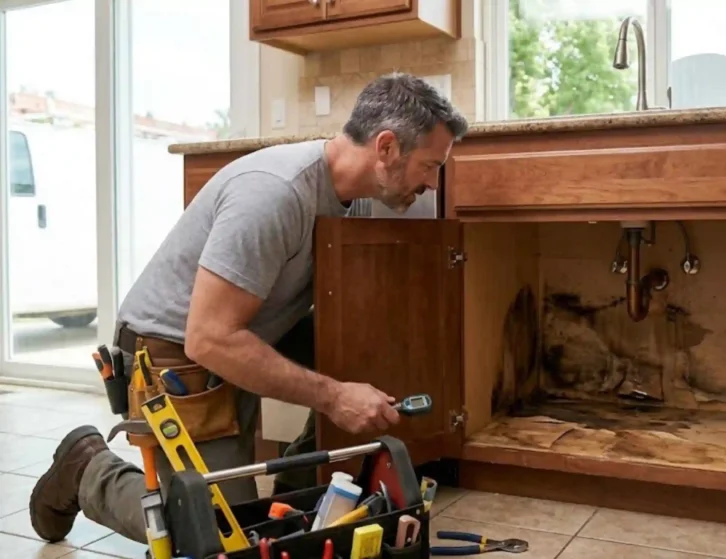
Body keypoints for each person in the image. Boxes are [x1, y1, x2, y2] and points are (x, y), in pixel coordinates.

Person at [28, 72, 469, 545]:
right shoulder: (274, 193)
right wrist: (334, 396)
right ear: (385, 148)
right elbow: (209, 338)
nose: (431, 183)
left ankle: (298, 499)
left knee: (367, 339)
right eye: (428, 166)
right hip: (176, 356)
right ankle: (86, 466)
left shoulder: (350, 198)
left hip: (248, 334)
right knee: (221, 536)